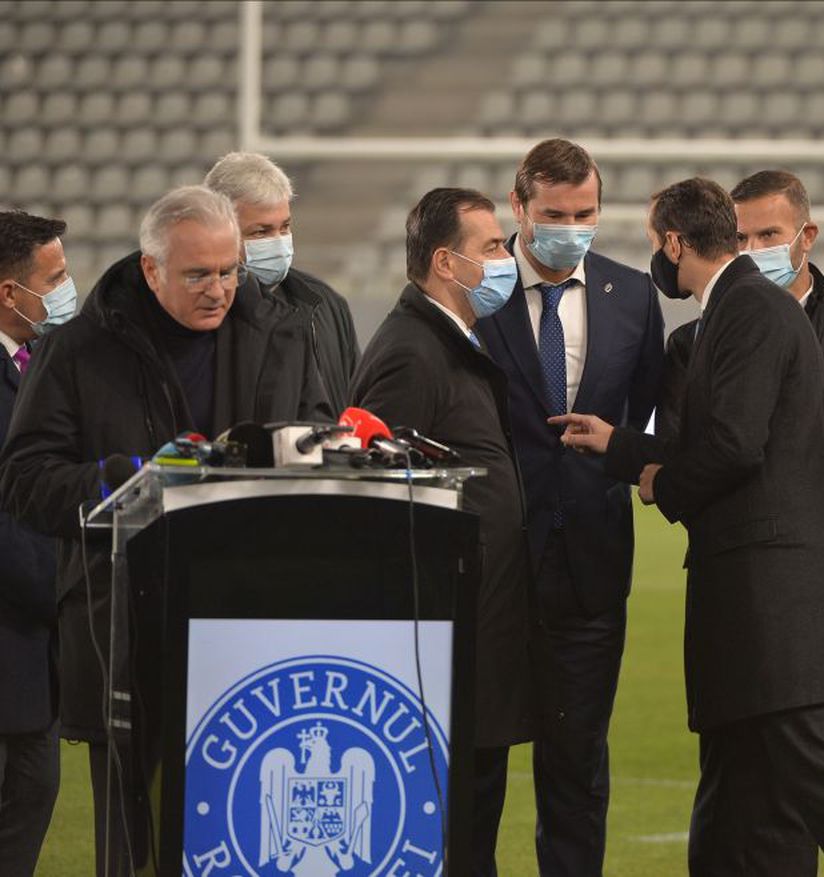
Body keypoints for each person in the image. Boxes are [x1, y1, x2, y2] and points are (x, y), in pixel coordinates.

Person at [552, 178, 824, 877]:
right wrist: (624, 447)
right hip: (750, 598)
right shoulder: (738, 309)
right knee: (736, 796)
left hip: (777, 600)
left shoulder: (748, 309)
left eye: (660, 243)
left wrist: (661, 481)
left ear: (677, 242)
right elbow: (725, 443)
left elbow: (734, 444)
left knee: (816, 776)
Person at [0, 186, 331, 877]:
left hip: (255, 631)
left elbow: (319, 443)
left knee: (247, 837)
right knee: (135, 849)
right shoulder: (81, 347)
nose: (220, 290)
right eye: (198, 274)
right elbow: (25, 479)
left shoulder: (286, 334)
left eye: (230, 270)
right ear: (151, 270)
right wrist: (126, 479)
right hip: (124, 633)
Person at [659, 170, 824, 827]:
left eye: (769, 233)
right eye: (741, 235)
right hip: (753, 592)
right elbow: (691, 455)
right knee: (756, 793)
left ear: (807, 236)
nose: (754, 246)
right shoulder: (691, 344)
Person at [473, 138, 663, 877]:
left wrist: (633, 458)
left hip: (591, 564)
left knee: (577, 770)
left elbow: (643, 414)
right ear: (519, 208)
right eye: (554, 213)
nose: (571, 226)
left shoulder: (634, 295)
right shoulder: (479, 297)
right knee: (479, 762)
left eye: (585, 212)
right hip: (494, 566)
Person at [349, 187, 537, 877]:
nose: (504, 258)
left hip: (475, 629)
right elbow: (375, 496)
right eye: (491, 247)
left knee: (476, 817)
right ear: (444, 261)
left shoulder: (450, 340)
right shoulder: (410, 351)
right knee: (451, 831)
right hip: (440, 641)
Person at [0, 209, 72, 876]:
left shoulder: (39, 362)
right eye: (54, 278)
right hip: (18, 634)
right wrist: (67, 593)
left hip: (31, 656)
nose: (66, 290)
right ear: (8, 291)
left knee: (30, 807)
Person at [205, 151, 360, 410]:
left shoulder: (327, 304)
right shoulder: (206, 310)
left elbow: (354, 403)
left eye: (285, 227)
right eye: (261, 231)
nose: (278, 240)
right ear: (219, 231)